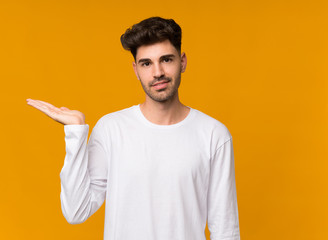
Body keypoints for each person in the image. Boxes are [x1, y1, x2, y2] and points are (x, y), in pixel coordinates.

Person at [26, 16, 240, 240]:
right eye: (146, 63)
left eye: (166, 59)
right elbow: (75, 211)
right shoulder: (111, 130)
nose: (157, 72)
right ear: (136, 70)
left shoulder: (214, 134)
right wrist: (76, 134)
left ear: (183, 61)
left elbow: (225, 228)